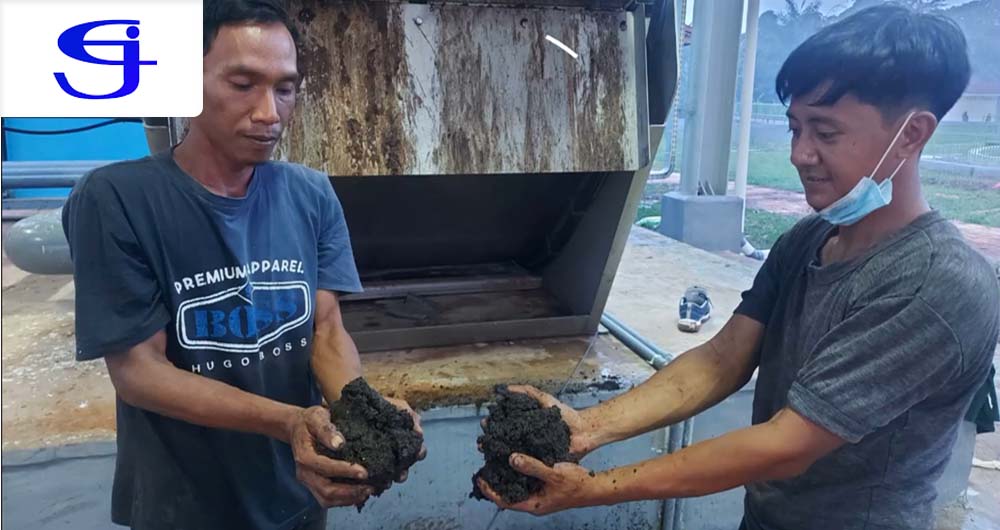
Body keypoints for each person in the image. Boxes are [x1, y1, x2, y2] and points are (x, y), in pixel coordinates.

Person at [477, 6, 999, 530]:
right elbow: (721, 359)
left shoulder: (935, 285)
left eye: (826, 132)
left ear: (911, 135)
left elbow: (787, 444)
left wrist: (593, 490)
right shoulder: (809, 240)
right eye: (796, 127)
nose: (800, 153)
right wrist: (587, 427)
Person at [61, 1, 424, 528]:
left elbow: (325, 331)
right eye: (243, 84)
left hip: (295, 495)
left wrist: (361, 413)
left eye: (285, 87)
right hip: (184, 504)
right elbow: (139, 372)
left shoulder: (311, 194)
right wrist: (289, 422)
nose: (269, 113)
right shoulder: (116, 199)